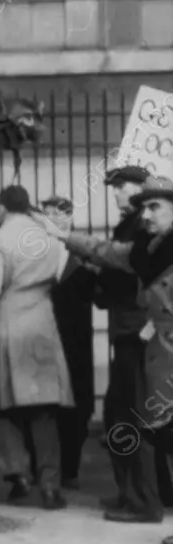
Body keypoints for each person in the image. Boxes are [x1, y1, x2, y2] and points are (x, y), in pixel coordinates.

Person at [45, 174, 173, 544]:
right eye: (144, 206)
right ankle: (147, 501)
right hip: (160, 348)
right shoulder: (150, 248)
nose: (145, 214)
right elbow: (108, 252)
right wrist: (66, 236)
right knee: (152, 428)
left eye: (155, 207)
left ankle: (146, 502)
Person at [0, 185, 73, 510]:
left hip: (7, 321)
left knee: (3, 407)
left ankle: (19, 477)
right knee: (43, 409)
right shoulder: (47, 234)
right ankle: (50, 485)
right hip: (42, 321)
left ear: (2, 207)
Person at [92, 166, 170, 522]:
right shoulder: (141, 236)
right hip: (143, 338)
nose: (117, 194)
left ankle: (144, 500)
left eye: (122, 187)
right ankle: (140, 496)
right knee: (133, 421)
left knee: (139, 420)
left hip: (145, 339)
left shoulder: (146, 235)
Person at [40, 195, 98, 490]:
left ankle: (70, 470)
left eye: (57, 216)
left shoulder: (82, 260)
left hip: (75, 343)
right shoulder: (35, 256)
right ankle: (47, 471)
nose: (51, 222)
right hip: (45, 342)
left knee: (77, 406)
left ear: (69, 220)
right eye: (46, 215)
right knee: (46, 406)